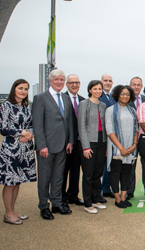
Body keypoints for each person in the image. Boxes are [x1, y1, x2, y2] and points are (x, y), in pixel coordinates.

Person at [0, 79, 36, 225]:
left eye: (26, 89)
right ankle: (8, 213)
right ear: (14, 89)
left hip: (25, 148)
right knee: (10, 181)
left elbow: (33, 125)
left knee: (18, 181)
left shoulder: (28, 107)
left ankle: (13, 211)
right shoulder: (5, 106)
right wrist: (22, 132)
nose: (23, 91)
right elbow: (2, 128)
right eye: (20, 88)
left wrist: (30, 133)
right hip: (11, 149)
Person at [32, 69, 74, 220]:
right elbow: (37, 124)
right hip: (47, 147)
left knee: (58, 177)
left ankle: (56, 204)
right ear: (50, 81)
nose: (59, 82)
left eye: (61, 80)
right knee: (44, 178)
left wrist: (70, 141)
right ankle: (44, 206)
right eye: (56, 79)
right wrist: (41, 145)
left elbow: (68, 121)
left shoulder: (65, 98)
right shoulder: (40, 98)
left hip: (63, 145)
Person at [105, 85, 139, 209]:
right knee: (115, 173)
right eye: (123, 94)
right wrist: (121, 148)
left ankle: (124, 197)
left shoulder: (133, 111)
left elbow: (137, 129)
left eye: (127, 94)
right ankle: (117, 198)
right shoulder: (110, 110)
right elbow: (110, 131)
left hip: (130, 147)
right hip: (116, 148)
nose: (125, 96)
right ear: (118, 95)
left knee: (126, 172)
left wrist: (134, 145)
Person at [78, 80, 108, 214]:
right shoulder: (84, 104)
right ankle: (87, 202)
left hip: (102, 142)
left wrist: (107, 146)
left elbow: (105, 127)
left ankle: (96, 199)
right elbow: (82, 126)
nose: (98, 91)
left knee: (97, 173)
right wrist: (85, 147)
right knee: (88, 174)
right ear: (90, 90)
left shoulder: (102, 105)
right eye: (95, 89)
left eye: (100, 89)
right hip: (89, 143)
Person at [63, 74, 85, 206]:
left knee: (76, 170)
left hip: (79, 142)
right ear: (67, 85)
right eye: (71, 83)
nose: (74, 85)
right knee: (63, 170)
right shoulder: (62, 99)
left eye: (76, 82)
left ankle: (73, 195)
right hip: (65, 142)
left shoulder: (83, 101)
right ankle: (61, 197)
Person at [127, 76, 145, 200]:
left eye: (138, 85)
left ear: (142, 86)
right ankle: (129, 191)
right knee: (130, 166)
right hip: (131, 138)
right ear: (130, 86)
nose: (136, 87)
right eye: (134, 84)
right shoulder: (125, 99)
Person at [98, 74, 115, 201]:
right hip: (101, 135)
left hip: (112, 135)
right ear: (101, 82)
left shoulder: (113, 97)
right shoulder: (98, 96)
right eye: (105, 81)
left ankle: (106, 188)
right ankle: (98, 191)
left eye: (110, 81)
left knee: (110, 163)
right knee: (99, 164)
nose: (108, 83)